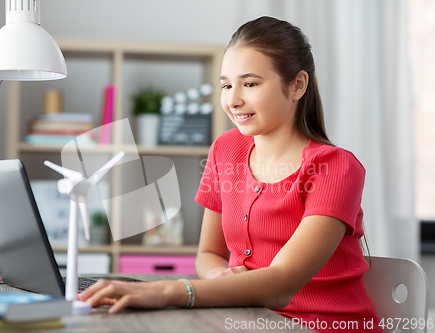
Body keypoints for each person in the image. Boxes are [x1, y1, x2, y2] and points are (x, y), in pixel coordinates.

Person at [78, 16, 381, 333]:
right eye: (226, 85)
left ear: (298, 85)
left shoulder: (336, 167)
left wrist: (165, 290)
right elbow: (209, 254)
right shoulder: (225, 149)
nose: (233, 100)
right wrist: (221, 279)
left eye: (250, 84)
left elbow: (281, 284)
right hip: (246, 322)